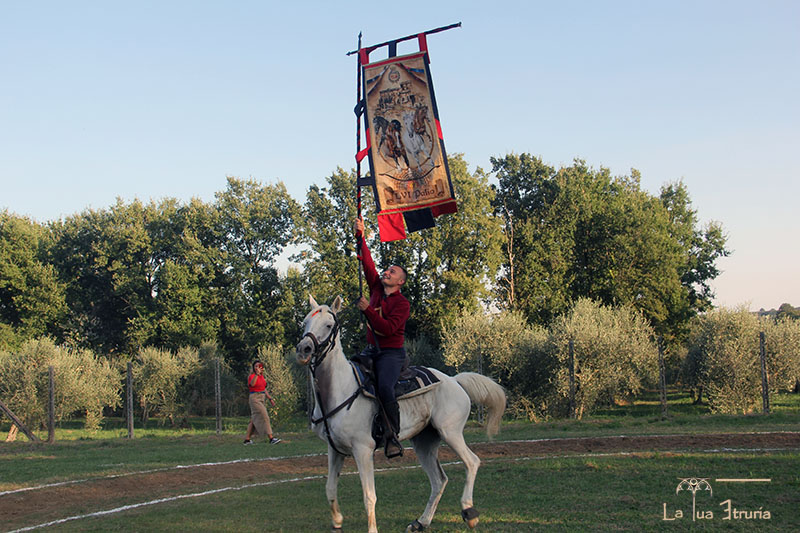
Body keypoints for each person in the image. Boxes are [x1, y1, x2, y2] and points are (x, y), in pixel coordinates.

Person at [354, 217, 410, 458]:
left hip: (391, 354)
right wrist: (360, 236)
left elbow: (387, 329)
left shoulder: (402, 304)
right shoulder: (376, 288)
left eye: (392, 272)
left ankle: (392, 434)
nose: (386, 272)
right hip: (371, 350)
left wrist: (367, 310)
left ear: (400, 281)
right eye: (387, 270)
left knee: (385, 387)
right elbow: (367, 263)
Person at [243, 360, 281, 445]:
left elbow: (264, 389)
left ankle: (247, 440)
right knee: (264, 415)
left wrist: (270, 398)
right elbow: (252, 384)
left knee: (253, 419)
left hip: (262, 397)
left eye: (259, 366)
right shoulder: (252, 376)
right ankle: (271, 438)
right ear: (253, 368)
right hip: (255, 398)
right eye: (256, 366)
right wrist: (257, 374)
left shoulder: (262, 377)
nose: (257, 368)